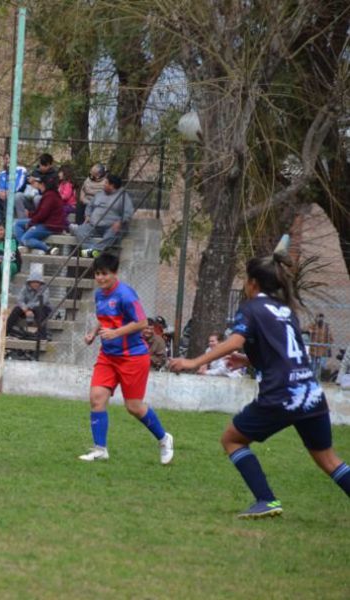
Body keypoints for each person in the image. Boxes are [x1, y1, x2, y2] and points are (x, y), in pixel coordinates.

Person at [169, 247, 350, 518]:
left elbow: (235, 340)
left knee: (232, 439)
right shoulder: (285, 311)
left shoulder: (251, 308)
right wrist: (246, 361)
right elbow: (289, 355)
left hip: (282, 394)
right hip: (311, 392)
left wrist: (194, 362)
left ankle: (266, 500)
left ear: (252, 283)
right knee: (328, 459)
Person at [78, 252, 174, 464]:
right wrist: (94, 334)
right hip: (108, 356)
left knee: (133, 407)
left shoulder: (126, 294)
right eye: (97, 274)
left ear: (115, 273)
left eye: (104, 274)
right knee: (96, 398)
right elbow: (104, 319)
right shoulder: (99, 294)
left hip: (132, 357)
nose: (101, 278)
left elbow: (141, 323)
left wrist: (115, 333)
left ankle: (164, 438)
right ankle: (100, 449)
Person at [74, 174, 134, 257]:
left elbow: (128, 212)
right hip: (94, 225)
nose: (103, 185)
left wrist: (120, 222)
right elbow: (90, 206)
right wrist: (88, 215)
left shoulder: (123, 196)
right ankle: (95, 250)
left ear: (112, 185)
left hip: (110, 227)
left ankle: (93, 251)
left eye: (106, 183)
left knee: (113, 234)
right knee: (80, 230)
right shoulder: (99, 194)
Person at [13, 173, 67, 255]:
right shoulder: (49, 194)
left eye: (40, 184)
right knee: (17, 223)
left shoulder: (50, 196)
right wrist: (30, 215)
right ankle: (23, 246)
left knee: (25, 239)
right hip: (45, 222)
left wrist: (31, 223)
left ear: (43, 184)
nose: (38, 186)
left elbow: (42, 215)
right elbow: (41, 212)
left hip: (50, 226)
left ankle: (48, 248)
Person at [7, 272, 51, 340]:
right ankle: (6, 330)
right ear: (29, 282)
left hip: (42, 309)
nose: (35, 284)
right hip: (26, 309)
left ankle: (42, 335)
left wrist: (28, 307)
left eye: (37, 282)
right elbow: (19, 299)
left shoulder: (45, 289)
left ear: (40, 283)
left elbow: (43, 302)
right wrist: (25, 309)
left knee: (38, 309)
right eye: (33, 282)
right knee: (17, 309)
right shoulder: (25, 288)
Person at [0, 152, 29, 226]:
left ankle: (7, 223)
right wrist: (0, 192)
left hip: (15, 196)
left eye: (10, 158)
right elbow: (0, 187)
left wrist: (9, 192)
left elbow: (19, 184)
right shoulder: (2, 173)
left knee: (10, 197)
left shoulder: (21, 170)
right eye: (6, 159)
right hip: (4, 196)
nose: (8, 160)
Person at [305, 313, 333, 379]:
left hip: (322, 349)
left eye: (321, 318)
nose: (320, 319)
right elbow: (306, 331)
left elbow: (330, 338)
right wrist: (310, 331)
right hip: (314, 349)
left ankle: (318, 378)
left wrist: (328, 344)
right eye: (319, 318)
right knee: (313, 364)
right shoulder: (313, 325)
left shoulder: (326, 327)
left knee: (321, 365)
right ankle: (312, 377)